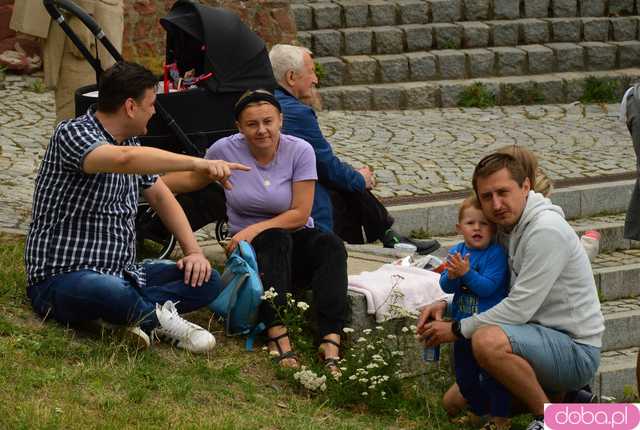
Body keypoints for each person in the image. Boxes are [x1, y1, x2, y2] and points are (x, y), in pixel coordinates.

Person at [25, 61, 249, 353]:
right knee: (109, 292)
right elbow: (123, 159)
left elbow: (160, 196)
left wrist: (193, 251)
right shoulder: (72, 133)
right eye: (152, 103)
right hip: (61, 278)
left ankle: (122, 317)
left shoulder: (130, 142)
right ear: (131, 106)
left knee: (207, 281)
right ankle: (156, 319)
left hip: (123, 273)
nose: (154, 111)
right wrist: (199, 161)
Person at [163, 89, 348, 375]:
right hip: (255, 251)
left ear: (281, 121)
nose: (262, 130)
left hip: (290, 234)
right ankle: (277, 333)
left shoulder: (300, 150)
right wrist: (154, 180)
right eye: (252, 124)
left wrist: (253, 229)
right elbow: (186, 179)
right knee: (275, 240)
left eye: (268, 121)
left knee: (331, 245)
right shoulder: (224, 150)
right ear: (239, 127)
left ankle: (330, 339)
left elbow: (300, 213)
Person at [417, 152, 604, 430]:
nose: (496, 204)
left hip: (574, 349)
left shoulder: (545, 230)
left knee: (485, 341)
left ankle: (548, 419)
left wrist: (456, 329)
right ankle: (579, 406)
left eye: (503, 192)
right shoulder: (507, 226)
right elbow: (486, 279)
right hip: (532, 338)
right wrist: (444, 304)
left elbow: (519, 308)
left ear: (525, 187)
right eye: (487, 196)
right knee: (458, 402)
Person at [268, 44, 439, 255]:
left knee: (347, 179)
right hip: (293, 195)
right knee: (348, 183)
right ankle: (386, 235)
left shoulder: (267, 101)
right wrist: (360, 178)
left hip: (282, 183)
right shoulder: (297, 113)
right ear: (292, 77)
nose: (315, 79)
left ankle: (387, 235)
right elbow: (326, 166)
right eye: (311, 72)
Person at [438, 195, 511, 430]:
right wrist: (451, 275)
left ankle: (500, 418)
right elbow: (445, 286)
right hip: (461, 328)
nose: (477, 228)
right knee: (465, 378)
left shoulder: (496, 254)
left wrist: (466, 274)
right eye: (471, 223)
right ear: (459, 228)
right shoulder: (456, 251)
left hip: (487, 329)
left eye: (484, 223)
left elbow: (488, 287)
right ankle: (480, 412)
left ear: (494, 228)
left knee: (493, 378)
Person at [10, 0, 124, 122]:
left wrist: (81, 15)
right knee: (82, 103)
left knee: (84, 103)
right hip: (80, 13)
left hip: (84, 13)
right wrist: (80, 15)